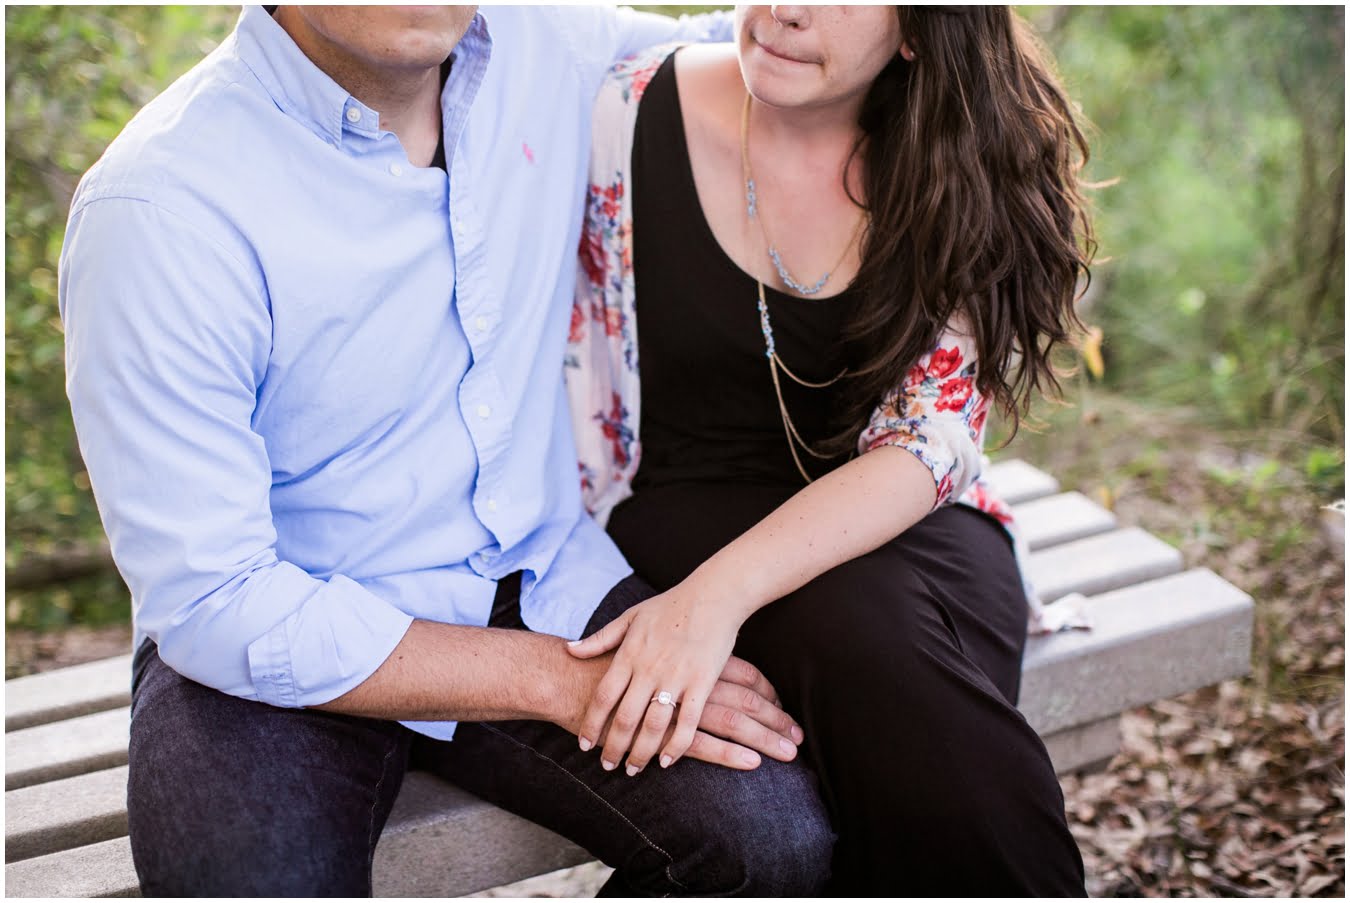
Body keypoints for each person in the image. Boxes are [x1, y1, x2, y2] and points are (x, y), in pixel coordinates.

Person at [57, 5, 837, 897]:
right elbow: (215, 596)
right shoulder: (158, 206)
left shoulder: (538, 44)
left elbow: (741, 46)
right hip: (272, 636)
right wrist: (553, 683)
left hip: (538, 575)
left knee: (770, 842)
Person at [565, 4, 1094, 895]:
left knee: (878, 661)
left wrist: (713, 604)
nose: (785, 9)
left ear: (923, 31)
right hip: (678, 508)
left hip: (915, 527)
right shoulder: (624, 114)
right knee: (885, 671)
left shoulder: (955, 157)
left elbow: (928, 438)